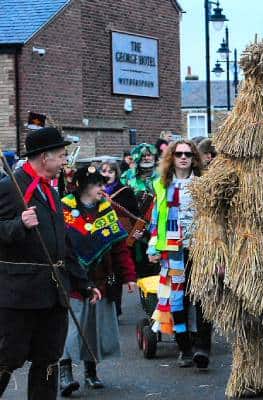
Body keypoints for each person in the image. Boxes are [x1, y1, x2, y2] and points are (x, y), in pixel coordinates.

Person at [0, 127, 101, 399]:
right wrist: (17, 225)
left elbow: (63, 245)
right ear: (44, 158)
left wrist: (83, 282)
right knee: (8, 358)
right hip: (19, 295)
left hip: (54, 295)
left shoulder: (52, 192)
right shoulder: (10, 187)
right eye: (61, 156)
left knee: (48, 361)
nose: (64, 162)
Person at [59, 166, 136, 396]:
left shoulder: (107, 211)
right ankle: (65, 373)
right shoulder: (64, 210)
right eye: (98, 185)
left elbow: (119, 248)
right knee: (72, 328)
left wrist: (129, 276)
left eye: (103, 184)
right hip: (72, 281)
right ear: (84, 187)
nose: (103, 189)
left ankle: (90, 372)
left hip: (101, 279)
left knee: (93, 328)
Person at [146, 140, 212, 369]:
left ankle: (203, 347)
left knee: (204, 297)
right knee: (178, 300)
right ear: (171, 158)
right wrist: (153, 247)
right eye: (178, 153)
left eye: (188, 154)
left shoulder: (204, 185)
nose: (183, 157)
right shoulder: (162, 186)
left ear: (194, 158)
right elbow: (156, 220)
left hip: (201, 249)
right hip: (174, 251)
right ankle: (185, 348)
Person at [101, 161, 142, 316]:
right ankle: (106, 304)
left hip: (120, 236)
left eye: (111, 171)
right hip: (102, 236)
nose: (107, 174)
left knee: (117, 272)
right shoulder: (97, 190)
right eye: (104, 171)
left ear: (116, 174)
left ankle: (115, 307)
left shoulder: (124, 191)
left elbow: (134, 214)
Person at [121, 143, 159, 278]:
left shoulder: (163, 174)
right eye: (143, 155)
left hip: (157, 225)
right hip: (134, 226)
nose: (147, 158)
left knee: (157, 264)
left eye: (149, 155)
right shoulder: (127, 176)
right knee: (139, 263)